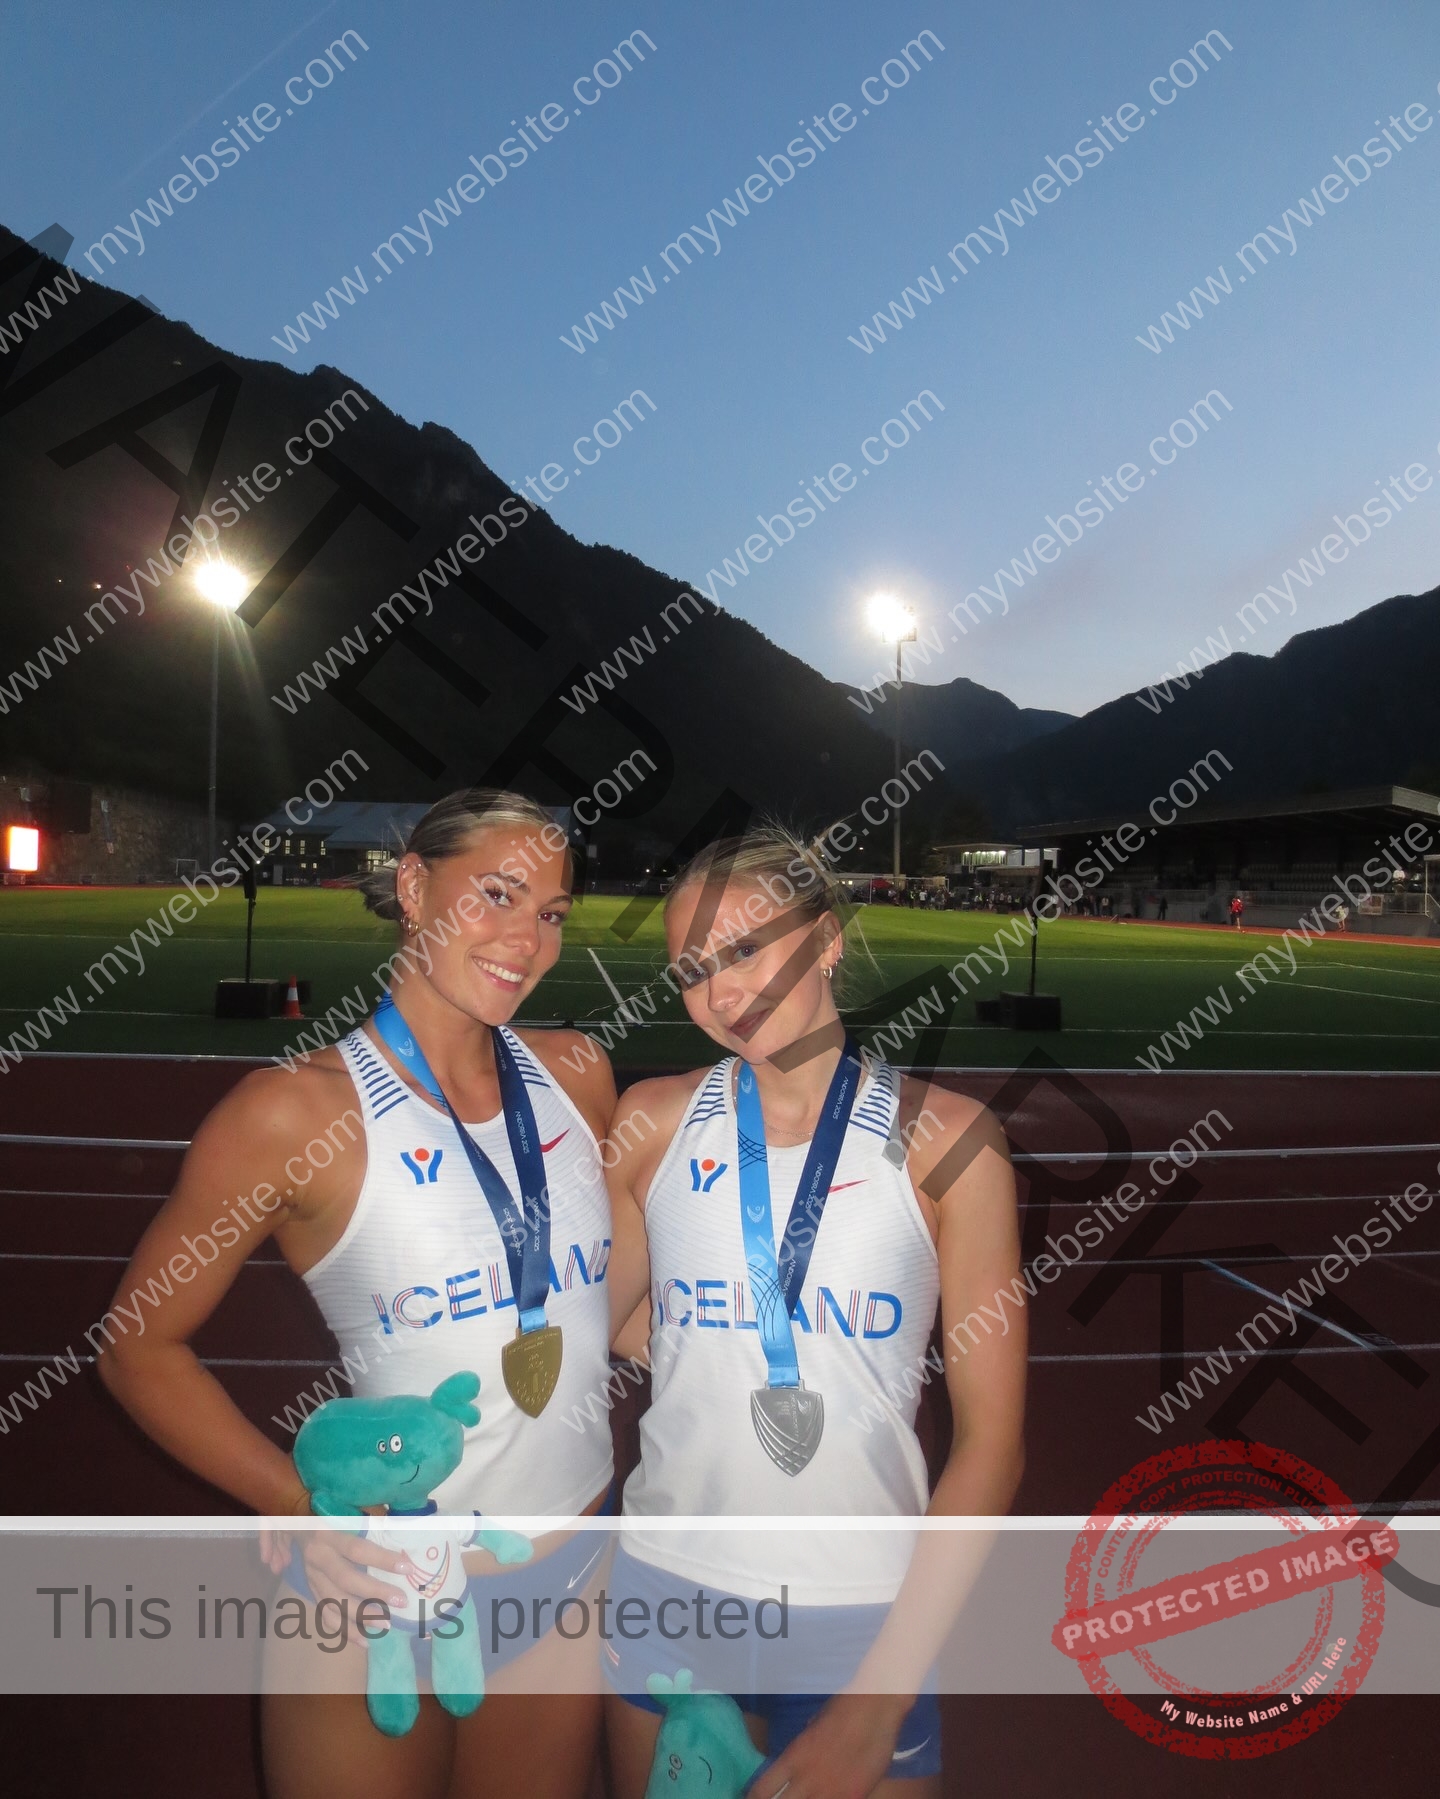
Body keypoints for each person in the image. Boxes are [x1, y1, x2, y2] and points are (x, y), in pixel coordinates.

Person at [97, 789, 619, 1799]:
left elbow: (602, 1284)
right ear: (415, 888)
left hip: (563, 1577)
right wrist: (294, 1501)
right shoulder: (293, 1112)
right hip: (380, 1591)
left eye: (552, 911)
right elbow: (135, 1344)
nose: (528, 938)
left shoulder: (578, 1072)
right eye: (499, 894)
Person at [602, 827, 1025, 1799]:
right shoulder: (651, 1119)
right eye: (693, 969)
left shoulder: (951, 1141)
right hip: (670, 1584)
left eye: (746, 948)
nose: (720, 990)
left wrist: (878, 1699)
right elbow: (596, 1324)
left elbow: (993, 1445)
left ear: (827, 938)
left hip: (862, 1610)